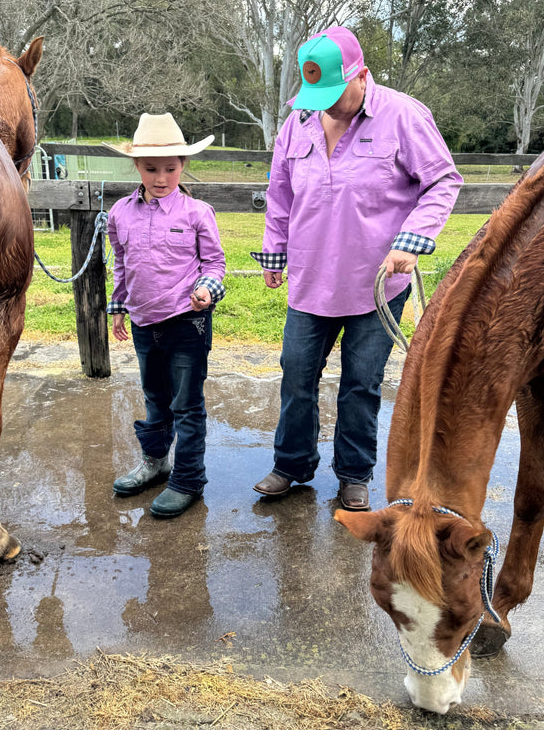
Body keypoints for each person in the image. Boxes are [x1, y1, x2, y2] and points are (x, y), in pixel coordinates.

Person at [251, 26, 463, 510]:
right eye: (315, 94)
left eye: (333, 93)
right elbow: (280, 193)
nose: (323, 104)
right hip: (310, 279)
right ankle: (292, 464)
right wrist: (275, 252)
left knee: (361, 383)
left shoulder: (404, 116)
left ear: (361, 75)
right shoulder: (300, 119)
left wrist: (413, 240)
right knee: (296, 375)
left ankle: (353, 473)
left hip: (377, 285)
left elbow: (443, 181)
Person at [105, 112, 225, 518]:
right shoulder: (120, 213)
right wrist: (119, 304)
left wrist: (208, 289)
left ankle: (188, 479)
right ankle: (156, 463)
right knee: (155, 397)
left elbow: (215, 264)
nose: (161, 177)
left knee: (186, 404)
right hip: (142, 322)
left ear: (182, 166)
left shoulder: (196, 212)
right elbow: (120, 263)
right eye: (151, 168)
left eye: (170, 169)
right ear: (136, 166)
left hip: (186, 323)